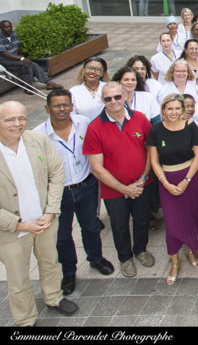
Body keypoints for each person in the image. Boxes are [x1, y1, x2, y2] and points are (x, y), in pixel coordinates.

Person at [0, 101, 78, 327]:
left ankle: (53, 298)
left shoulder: (38, 140)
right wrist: (19, 225)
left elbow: (56, 173)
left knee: (50, 262)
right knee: (18, 277)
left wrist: (51, 210)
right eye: (10, 120)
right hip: (11, 231)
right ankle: (25, 319)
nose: (17, 124)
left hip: (44, 221)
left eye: (21, 118)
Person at [34, 90, 115, 296]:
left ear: (72, 106)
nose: (62, 109)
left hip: (86, 185)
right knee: (62, 235)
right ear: (47, 108)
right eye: (57, 106)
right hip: (58, 192)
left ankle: (96, 259)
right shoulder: (38, 135)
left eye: (66, 105)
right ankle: (69, 271)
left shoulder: (83, 123)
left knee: (90, 226)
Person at [83, 81, 156, 278]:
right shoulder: (94, 128)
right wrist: (124, 189)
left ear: (124, 96)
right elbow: (96, 168)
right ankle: (125, 258)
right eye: (108, 98)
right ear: (103, 101)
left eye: (117, 97)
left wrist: (142, 178)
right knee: (119, 225)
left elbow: (151, 148)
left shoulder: (140, 118)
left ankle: (140, 250)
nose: (113, 101)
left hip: (142, 184)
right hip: (114, 190)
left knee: (141, 221)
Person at [146, 94, 198, 285]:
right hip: (167, 179)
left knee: (192, 216)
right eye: (170, 109)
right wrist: (166, 183)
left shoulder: (191, 127)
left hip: (192, 177)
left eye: (177, 108)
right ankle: (174, 262)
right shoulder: (156, 130)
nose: (174, 112)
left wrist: (186, 180)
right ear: (163, 110)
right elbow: (154, 161)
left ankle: (191, 250)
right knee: (173, 222)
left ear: (182, 109)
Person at [0, 20, 63, 91]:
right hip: (3, 60)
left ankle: (49, 83)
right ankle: (28, 87)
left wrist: (22, 57)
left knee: (32, 64)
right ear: (1, 28)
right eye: (5, 27)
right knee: (26, 65)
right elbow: (4, 53)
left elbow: (18, 46)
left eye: (10, 27)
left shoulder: (13, 34)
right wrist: (21, 59)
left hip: (13, 59)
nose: (8, 29)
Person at [69, 56, 110, 122]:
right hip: (84, 129)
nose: (93, 71)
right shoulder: (74, 91)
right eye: (89, 68)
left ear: (102, 73)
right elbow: (72, 115)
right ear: (84, 70)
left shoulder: (109, 87)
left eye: (98, 69)